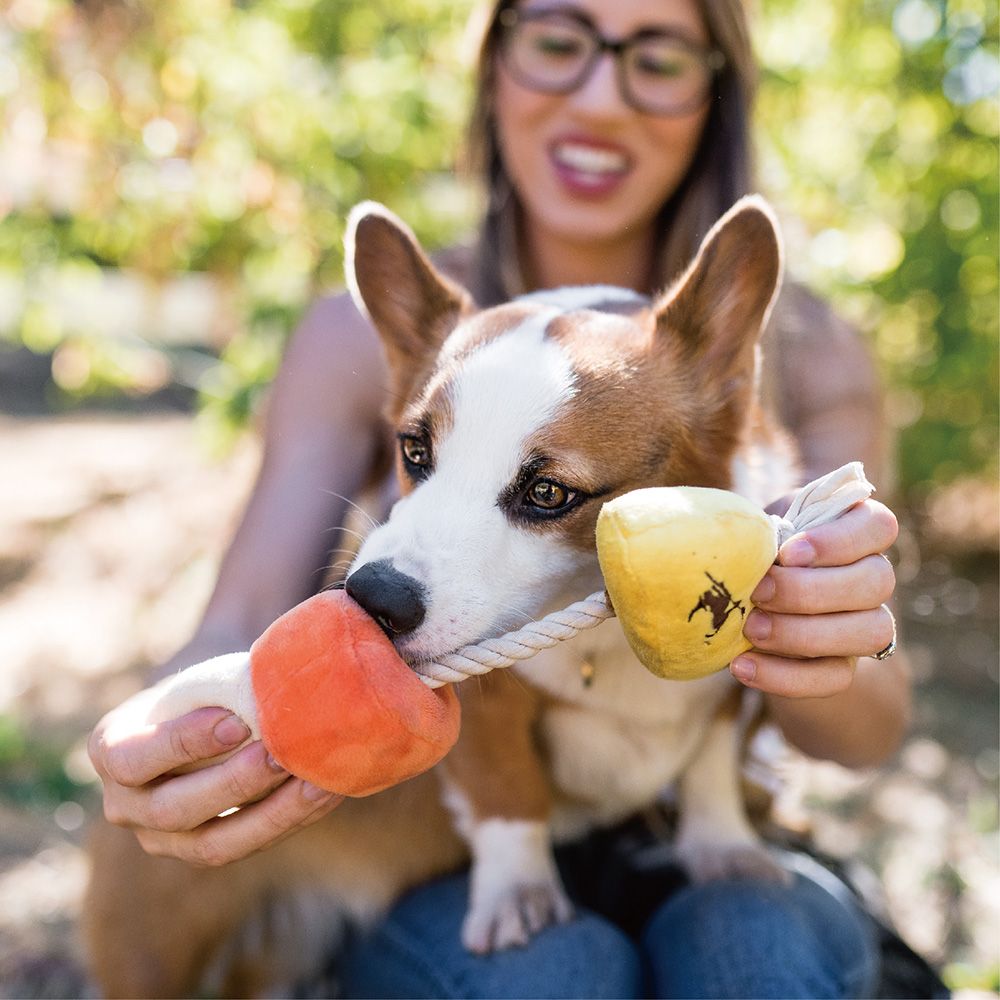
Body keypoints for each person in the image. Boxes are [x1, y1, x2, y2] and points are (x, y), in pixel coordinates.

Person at [88, 0, 912, 996]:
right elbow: (236, 615)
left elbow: (870, 730)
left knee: (753, 958)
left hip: (708, 825)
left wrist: (824, 622)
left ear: (717, 92)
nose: (599, 96)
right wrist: (160, 726)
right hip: (445, 842)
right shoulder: (374, 333)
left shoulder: (807, 353)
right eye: (557, 41)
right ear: (492, 70)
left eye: (655, 57)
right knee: (545, 978)